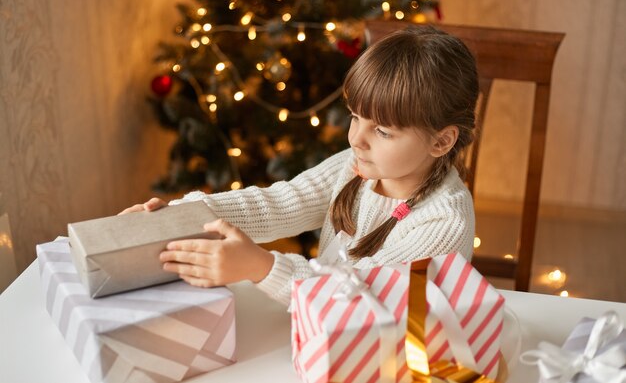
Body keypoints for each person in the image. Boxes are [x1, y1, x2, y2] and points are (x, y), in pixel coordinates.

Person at [121, 25, 479, 306]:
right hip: (319, 341)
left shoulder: (445, 223)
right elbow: (276, 204)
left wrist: (260, 267)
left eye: (382, 131)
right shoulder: (355, 167)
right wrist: (179, 216)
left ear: (441, 141)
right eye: (356, 117)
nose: (356, 138)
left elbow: (361, 297)